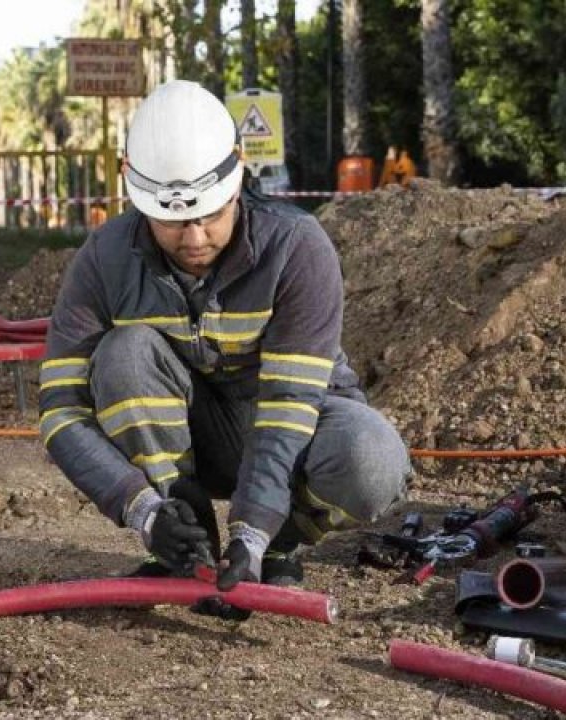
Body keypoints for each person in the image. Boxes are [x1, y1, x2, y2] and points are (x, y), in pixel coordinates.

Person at [38, 80, 410, 592]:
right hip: (193, 440)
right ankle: (186, 539)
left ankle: (281, 543)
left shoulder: (296, 248)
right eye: (173, 221)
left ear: (238, 177)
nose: (194, 239)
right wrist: (144, 511)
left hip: (294, 433)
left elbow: (288, 404)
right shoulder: (104, 259)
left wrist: (254, 534)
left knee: (372, 459)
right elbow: (60, 411)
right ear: (137, 192)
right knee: (123, 354)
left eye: (211, 214)